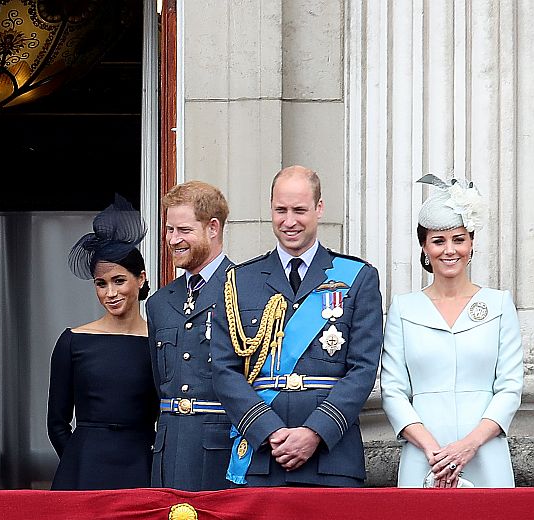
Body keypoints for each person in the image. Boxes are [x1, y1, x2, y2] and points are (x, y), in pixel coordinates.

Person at [211, 166, 383, 487]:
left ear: (319, 208)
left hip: (332, 458)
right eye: (281, 210)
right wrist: (269, 430)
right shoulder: (239, 281)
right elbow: (224, 369)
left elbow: (362, 370)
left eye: (299, 210)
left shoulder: (356, 277)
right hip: (263, 456)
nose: (289, 221)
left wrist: (315, 432)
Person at [381, 174, 523, 488]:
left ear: (471, 243)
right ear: (424, 246)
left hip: (485, 454)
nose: (450, 250)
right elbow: (393, 391)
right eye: (439, 240)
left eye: (458, 239)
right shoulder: (404, 309)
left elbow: (510, 387)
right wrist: (434, 451)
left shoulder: (499, 304)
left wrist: (468, 445)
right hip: (424, 456)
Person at [46, 196, 158, 490]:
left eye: (119, 280)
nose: (110, 292)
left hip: (142, 468)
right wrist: (77, 461)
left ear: (141, 279)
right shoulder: (73, 341)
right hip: (83, 472)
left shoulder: (159, 342)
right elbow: (56, 423)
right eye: (101, 283)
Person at [147, 181, 236, 491]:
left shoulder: (244, 291)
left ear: (213, 228)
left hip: (222, 452)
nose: (172, 239)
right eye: (169, 230)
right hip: (169, 450)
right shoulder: (159, 302)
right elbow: (160, 382)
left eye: (183, 230)